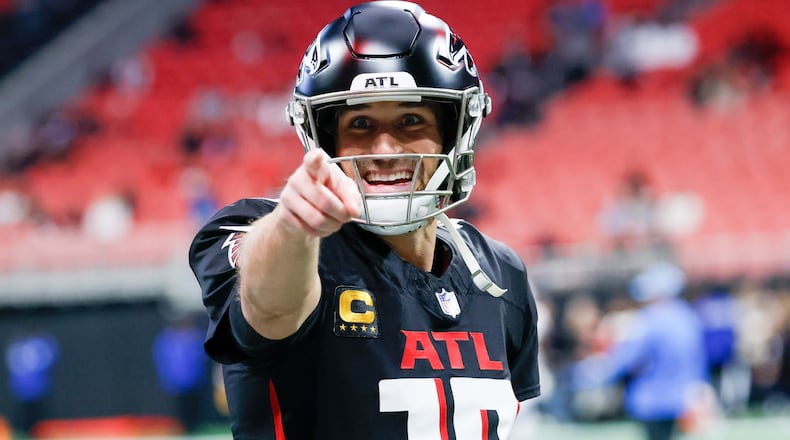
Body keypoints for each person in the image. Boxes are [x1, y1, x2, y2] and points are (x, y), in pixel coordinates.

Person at [188, 2, 541, 438]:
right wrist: (293, 228)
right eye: (359, 124)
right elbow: (268, 307)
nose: (386, 150)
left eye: (411, 120)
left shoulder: (499, 271)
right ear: (323, 138)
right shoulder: (272, 233)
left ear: (454, 132)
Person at [572, 262, 709, 440]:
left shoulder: (648, 319)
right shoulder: (687, 315)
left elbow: (627, 359)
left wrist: (596, 375)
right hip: (682, 398)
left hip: (652, 401)